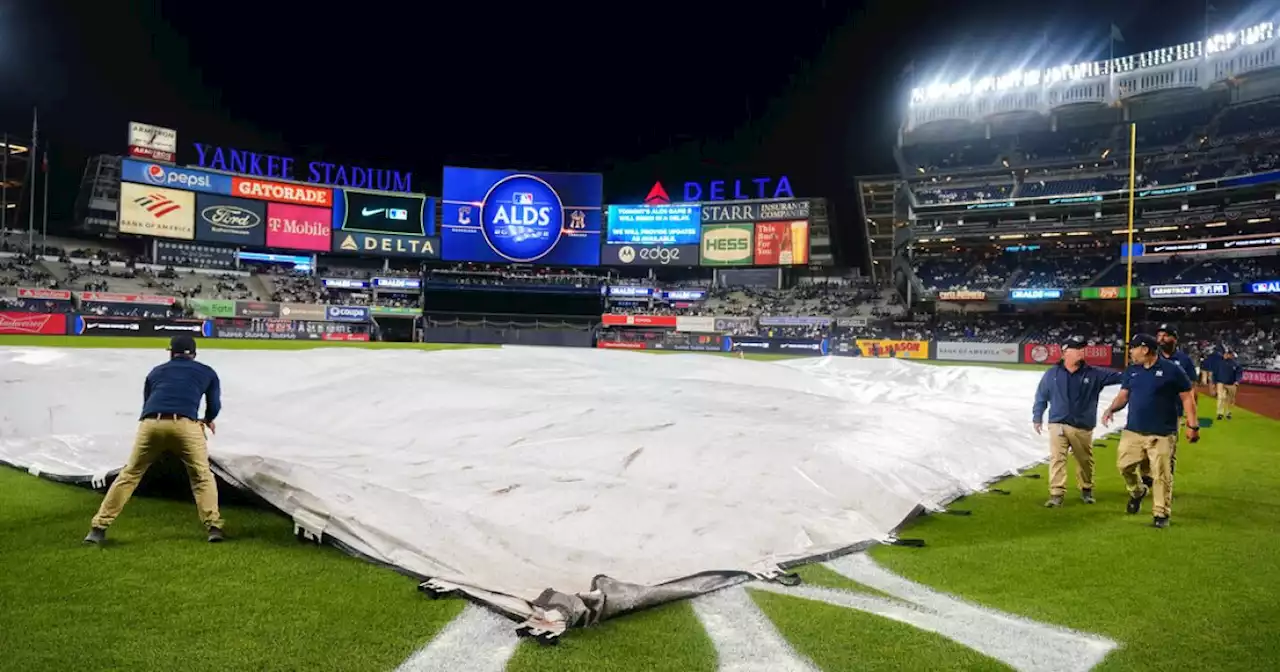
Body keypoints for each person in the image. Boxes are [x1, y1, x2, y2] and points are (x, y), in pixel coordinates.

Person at [84, 335, 225, 544]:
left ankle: (98, 528)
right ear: (194, 354)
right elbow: (214, 406)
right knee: (201, 476)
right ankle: (213, 527)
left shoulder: (156, 371)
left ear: (170, 352)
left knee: (130, 474)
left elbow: (147, 403)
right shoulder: (207, 371)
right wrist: (207, 420)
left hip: (150, 424)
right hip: (185, 425)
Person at [1102, 334, 1199, 529]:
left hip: (1162, 432)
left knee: (1161, 474)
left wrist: (1193, 425)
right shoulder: (1132, 371)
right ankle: (1137, 491)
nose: (1130, 351)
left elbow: (1187, 397)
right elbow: (1123, 395)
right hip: (1133, 430)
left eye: (1134, 348)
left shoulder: (1172, 370)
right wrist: (1111, 409)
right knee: (1124, 467)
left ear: (1145, 350)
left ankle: (1161, 514)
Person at [1032, 336, 1125, 507]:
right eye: (1077, 349)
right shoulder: (1052, 374)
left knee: (1084, 460)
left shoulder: (1094, 373)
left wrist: (1140, 372)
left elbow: (1123, 377)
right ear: (1066, 352)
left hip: (1082, 425)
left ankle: (1086, 489)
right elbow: (1041, 396)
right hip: (1057, 423)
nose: (1081, 352)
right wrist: (1037, 416)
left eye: (1082, 348)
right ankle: (1056, 493)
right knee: (1057, 458)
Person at [1216, 349, 1242, 420]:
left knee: (1230, 399)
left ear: (1231, 355)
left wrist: (1237, 381)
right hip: (1221, 382)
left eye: (1228, 354)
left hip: (1232, 384)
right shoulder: (1220, 362)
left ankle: (1228, 413)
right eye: (1225, 354)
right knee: (1221, 398)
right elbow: (1215, 373)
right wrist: (1214, 382)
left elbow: (1239, 373)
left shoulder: (1236, 364)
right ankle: (1220, 413)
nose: (1226, 355)